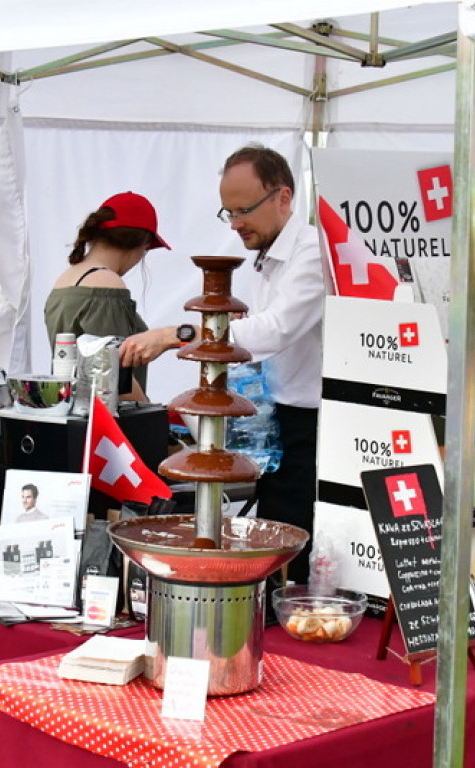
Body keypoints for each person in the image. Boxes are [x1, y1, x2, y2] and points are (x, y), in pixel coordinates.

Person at [219, 145, 327, 584]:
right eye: (227, 212)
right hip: (277, 420)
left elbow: (278, 329)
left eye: (243, 210)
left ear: (283, 197)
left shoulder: (313, 252)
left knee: (293, 543)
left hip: (312, 424)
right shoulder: (269, 259)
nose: (235, 224)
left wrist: (192, 334)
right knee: (275, 539)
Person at [44, 192, 171, 400]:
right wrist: (152, 417)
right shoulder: (106, 284)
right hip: (108, 422)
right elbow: (115, 377)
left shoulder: (65, 279)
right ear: (143, 244)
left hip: (71, 412)